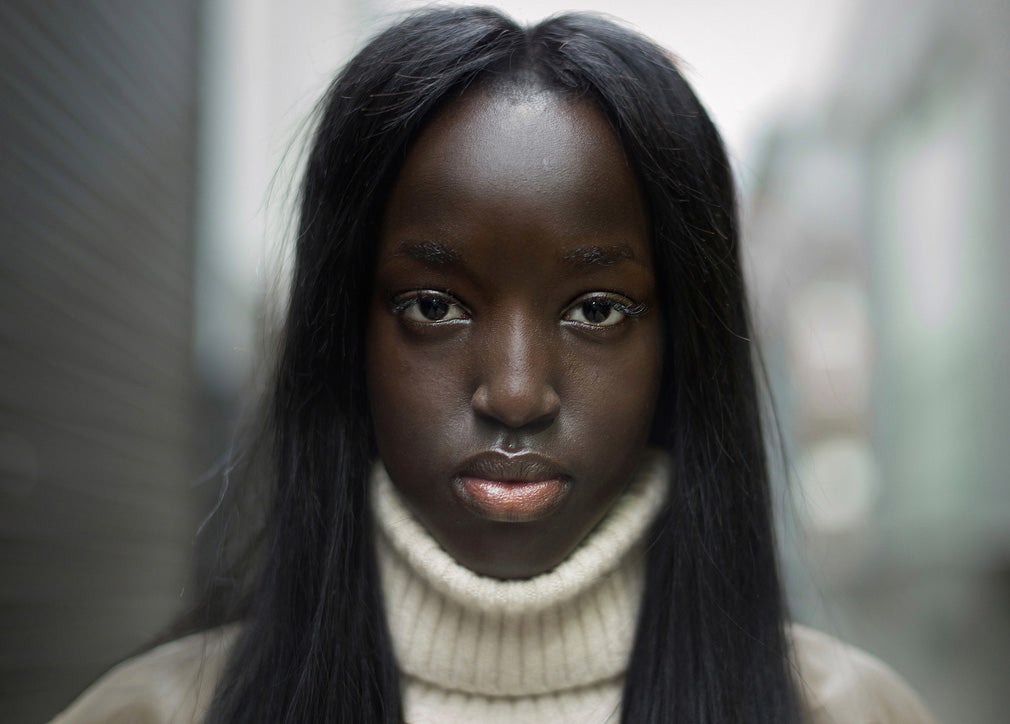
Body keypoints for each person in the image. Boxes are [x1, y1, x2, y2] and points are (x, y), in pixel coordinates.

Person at [52, 6, 938, 723]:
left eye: (596, 311)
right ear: (342, 338)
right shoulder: (158, 712)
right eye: (433, 307)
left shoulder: (846, 711)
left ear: (681, 348)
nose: (515, 393)